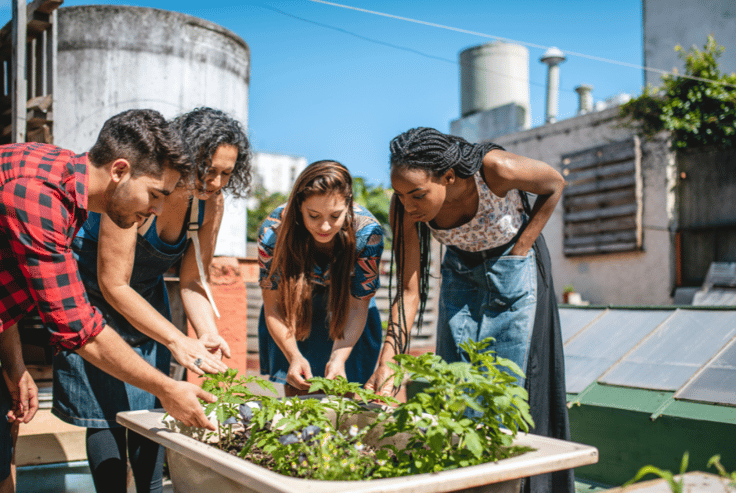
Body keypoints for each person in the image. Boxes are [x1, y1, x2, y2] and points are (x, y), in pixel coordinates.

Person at [0, 109, 220, 492]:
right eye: (155, 194)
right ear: (119, 170)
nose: (155, 209)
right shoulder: (38, 197)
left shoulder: (64, 180)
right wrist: (167, 389)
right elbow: (78, 329)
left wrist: (14, 364)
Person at [51, 107, 251, 493]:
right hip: (94, 302)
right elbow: (114, 284)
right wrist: (177, 339)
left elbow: (192, 280)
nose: (215, 181)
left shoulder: (211, 203)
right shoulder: (138, 192)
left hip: (148, 304)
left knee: (153, 406)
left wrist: (205, 332)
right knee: (104, 413)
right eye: (208, 168)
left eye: (227, 172)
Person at [365, 127, 572, 493]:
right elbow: (409, 292)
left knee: (514, 384)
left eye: (417, 194)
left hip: (515, 269)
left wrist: (522, 247)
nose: (408, 205)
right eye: (399, 195)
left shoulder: (497, 170)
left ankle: (522, 485)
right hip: (460, 274)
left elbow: (554, 183)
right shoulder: (406, 209)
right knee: (458, 382)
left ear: (448, 176)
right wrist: (388, 362)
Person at [258, 160, 384, 396]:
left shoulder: (368, 234)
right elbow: (273, 306)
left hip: (349, 312)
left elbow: (358, 307)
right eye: (313, 215)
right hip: (295, 310)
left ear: (348, 205)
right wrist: (293, 356)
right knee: (300, 399)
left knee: (345, 405)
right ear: (299, 206)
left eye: (335, 215)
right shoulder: (272, 232)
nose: (325, 226)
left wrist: (338, 358)